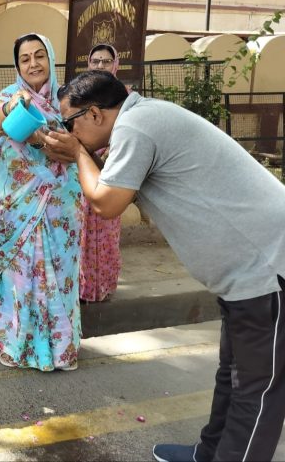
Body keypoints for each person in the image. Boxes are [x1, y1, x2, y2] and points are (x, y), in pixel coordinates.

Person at [48, 70, 285, 462]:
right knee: (233, 375)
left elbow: (106, 203)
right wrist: (81, 152)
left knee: (255, 391)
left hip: (265, 267)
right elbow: (110, 179)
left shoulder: (136, 128)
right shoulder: (141, 120)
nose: (67, 131)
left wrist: (76, 153)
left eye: (68, 122)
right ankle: (208, 454)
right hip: (245, 275)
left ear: (93, 114)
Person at [0, 33, 83, 371]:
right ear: (17, 65)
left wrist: (49, 141)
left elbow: (84, 143)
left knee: (60, 277)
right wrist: (12, 108)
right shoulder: (9, 95)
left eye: (39, 56)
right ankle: (17, 344)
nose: (33, 64)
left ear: (50, 59)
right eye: (25, 59)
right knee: (20, 280)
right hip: (16, 207)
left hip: (61, 205)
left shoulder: (68, 100)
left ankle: (62, 349)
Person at [79, 44, 123, 302]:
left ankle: (102, 286)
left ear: (115, 65)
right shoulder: (81, 95)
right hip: (84, 170)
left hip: (113, 172)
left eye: (106, 61)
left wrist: (107, 157)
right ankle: (82, 287)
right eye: (95, 61)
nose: (100, 66)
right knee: (82, 231)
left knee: (106, 233)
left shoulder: (123, 98)